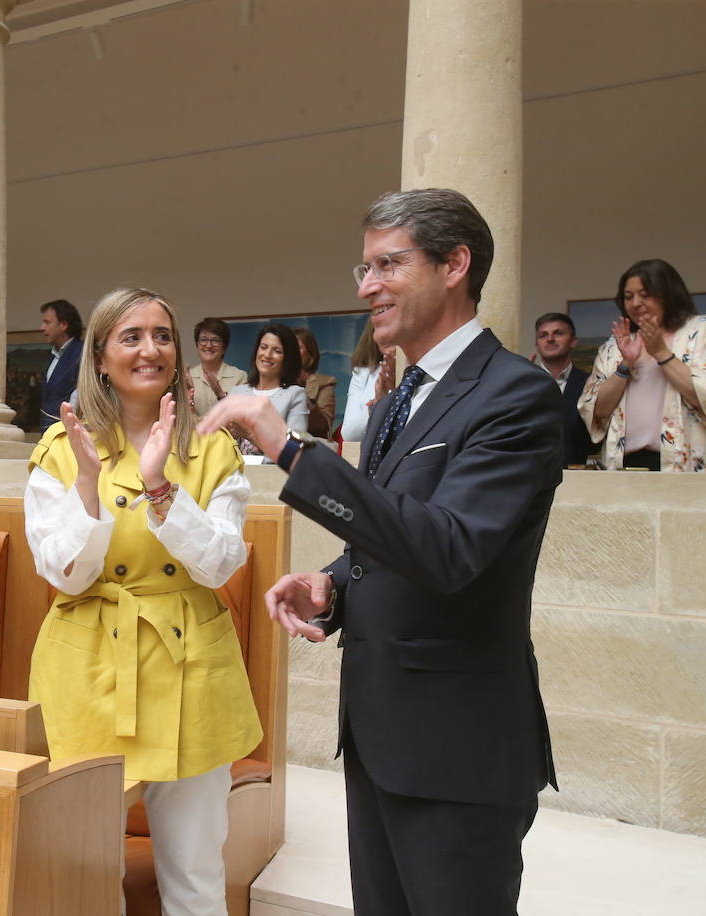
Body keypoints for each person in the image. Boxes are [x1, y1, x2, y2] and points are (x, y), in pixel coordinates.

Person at [201, 188, 562, 916]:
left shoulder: (514, 394)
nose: (366, 287)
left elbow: (452, 547)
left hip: (457, 750)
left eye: (387, 265)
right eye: (363, 269)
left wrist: (288, 450)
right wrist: (333, 586)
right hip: (379, 735)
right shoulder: (399, 400)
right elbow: (394, 528)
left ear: (455, 263)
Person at [26, 287, 261, 915]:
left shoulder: (214, 448)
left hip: (190, 669)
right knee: (87, 868)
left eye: (162, 336)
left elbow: (219, 566)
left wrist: (160, 488)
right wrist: (86, 485)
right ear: (100, 357)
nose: (149, 349)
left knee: (194, 871)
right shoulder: (57, 450)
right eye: (131, 337)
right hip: (88, 669)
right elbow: (67, 577)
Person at [577, 259, 706, 471]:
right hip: (625, 466)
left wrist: (661, 353)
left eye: (645, 294)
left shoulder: (700, 331)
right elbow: (596, 411)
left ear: (668, 294)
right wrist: (625, 365)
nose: (635, 303)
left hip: (685, 467)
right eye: (628, 297)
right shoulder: (616, 345)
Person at [227, 323, 307, 455]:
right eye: (263, 347)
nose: (267, 355)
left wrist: (250, 435)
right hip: (235, 473)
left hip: (272, 474)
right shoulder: (237, 392)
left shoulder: (295, 395)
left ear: (288, 358)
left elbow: (295, 452)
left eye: (277, 351)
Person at [533, 312, 595, 467]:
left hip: (576, 478)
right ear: (537, 345)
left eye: (558, 333)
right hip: (530, 476)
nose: (550, 339)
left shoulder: (590, 382)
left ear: (573, 341)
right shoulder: (523, 383)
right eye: (543, 335)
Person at [39, 298, 83, 429]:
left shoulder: (83, 353)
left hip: (68, 435)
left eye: (47, 322)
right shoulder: (52, 357)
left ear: (63, 325)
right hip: (49, 435)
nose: (41, 328)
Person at [188, 317, 247, 416]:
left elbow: (241, 416)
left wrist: (220, 393)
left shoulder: (240, 377)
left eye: (215, 340)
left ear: (224, 347)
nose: (208, 345)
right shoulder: (188, 377)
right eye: (203, 340)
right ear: (197, 345)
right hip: (195, 431)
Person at [340, 321, 386, 443]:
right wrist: (378, 403)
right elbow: (349, 434)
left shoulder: (418, 371)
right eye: (383, 328)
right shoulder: (362, 373)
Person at [295, 327, 337, 438]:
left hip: (308, 449)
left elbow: (323, 425)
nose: (292, 353)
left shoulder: (325, 382)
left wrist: (302, 391)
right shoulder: (275, 381)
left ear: (311, 355)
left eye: (297, 348)